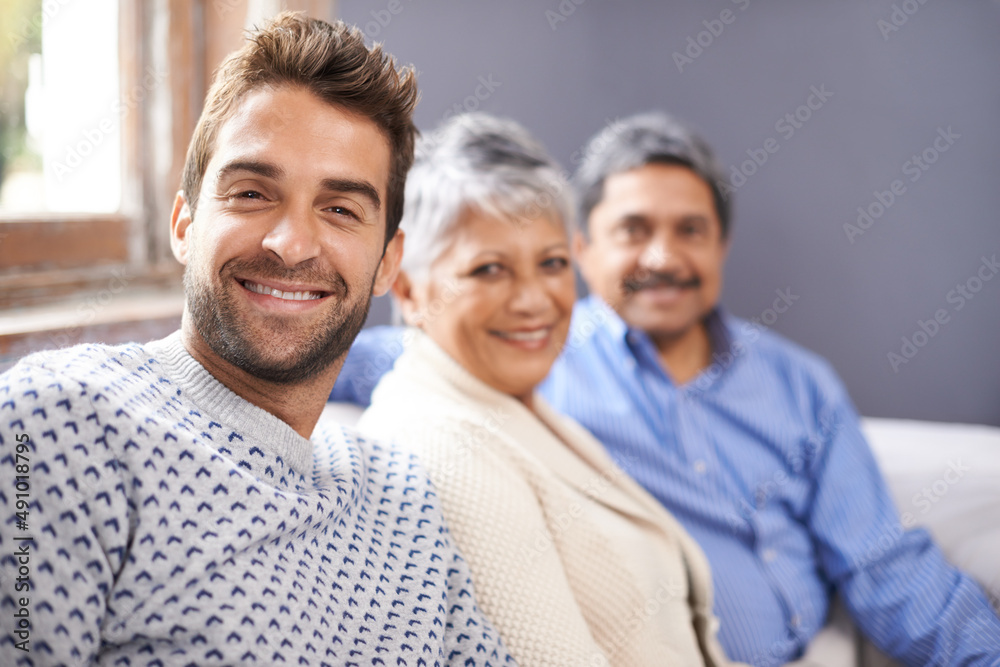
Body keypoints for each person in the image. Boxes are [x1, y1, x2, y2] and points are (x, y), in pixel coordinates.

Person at [331, 112, 1000, 666]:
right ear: (588, 247)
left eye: (690, 231)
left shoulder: (798, 382)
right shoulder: (534, 355)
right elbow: (406, 351)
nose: (662, 257)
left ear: (721, 247)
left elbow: (882, 561)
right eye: (634, 230)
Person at [0, 13, 512, 666]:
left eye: (339, 209)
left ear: (388, 261)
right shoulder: (55, 422)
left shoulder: (405, 497)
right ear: (184, 223)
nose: (291, 243)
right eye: (251, 192)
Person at [355, 112, 740, 666]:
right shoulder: (444, 445)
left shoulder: (520, 405)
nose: (535, 301)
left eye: (552, 263)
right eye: (490, 269)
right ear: (410, 291)